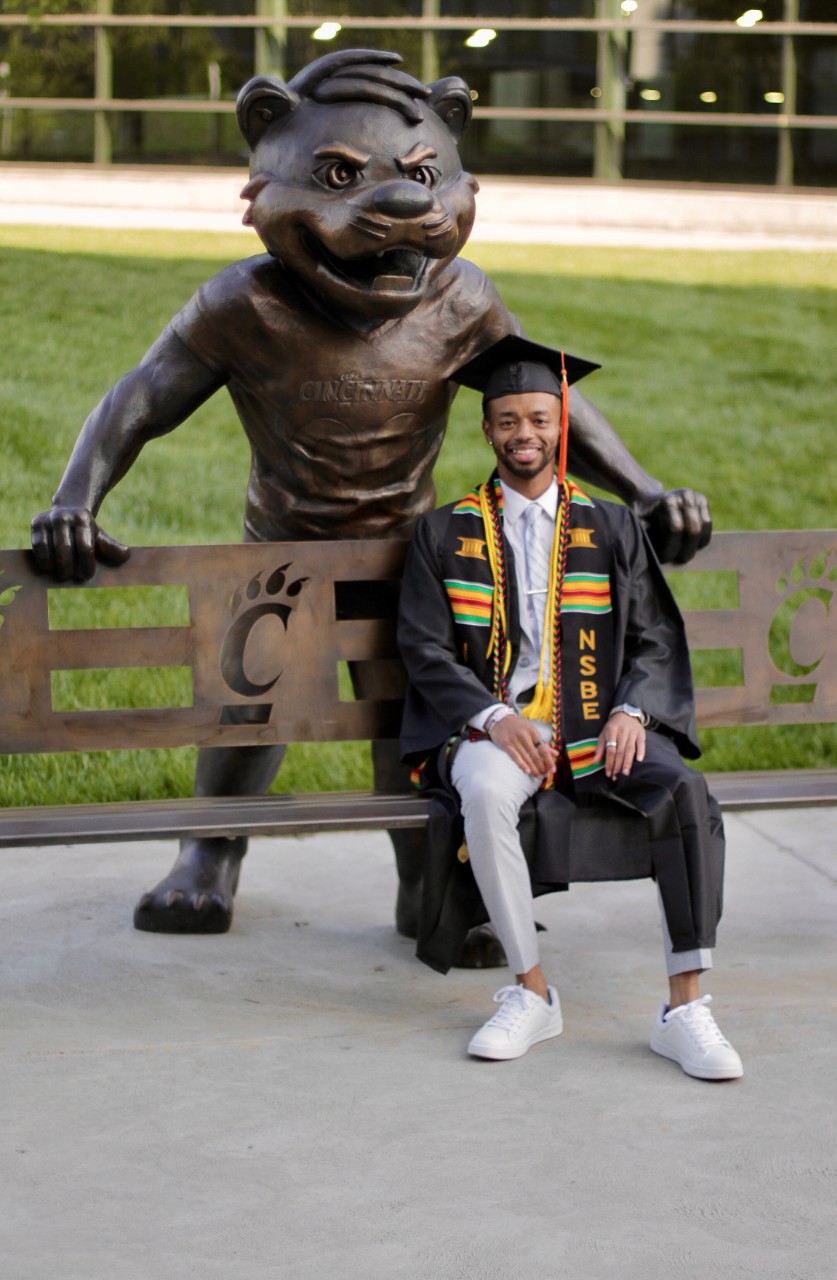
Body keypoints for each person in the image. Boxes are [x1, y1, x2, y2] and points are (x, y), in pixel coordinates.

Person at [397, 335, 743, 1079]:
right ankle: (530, 992)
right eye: (508, 421)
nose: (525, 435)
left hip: (600, 723)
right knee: (484, 789)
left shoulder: (612, 526)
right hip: (498, 725)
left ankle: (684, 1009)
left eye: (540, 419)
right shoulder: (444, 533)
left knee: (682, 790)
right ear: (486, 430)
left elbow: (653, 638)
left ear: (562, 426)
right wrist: (494, 718)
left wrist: (633, 714)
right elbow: (423, 651)